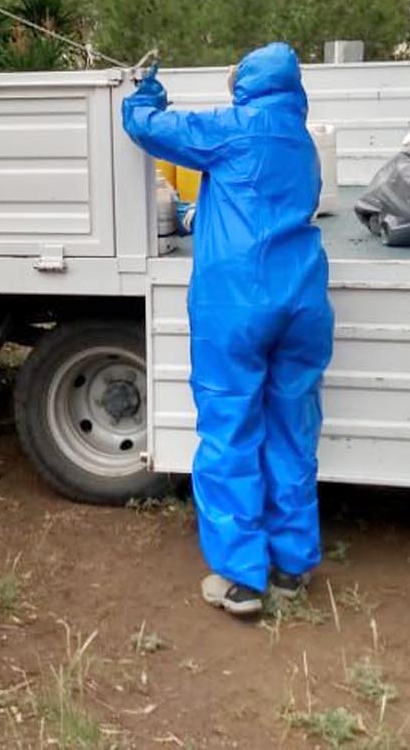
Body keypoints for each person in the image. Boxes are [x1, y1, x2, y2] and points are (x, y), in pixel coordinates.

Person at [122, 42, 334, 617]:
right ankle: (291, 567)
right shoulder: (302, 143)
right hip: (303, 300)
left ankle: (242, 579)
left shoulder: (232, 128)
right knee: (293, 432)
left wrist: (143, 96)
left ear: (246, 84)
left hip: (238, 303)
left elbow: (151, 130)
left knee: (230, 432)